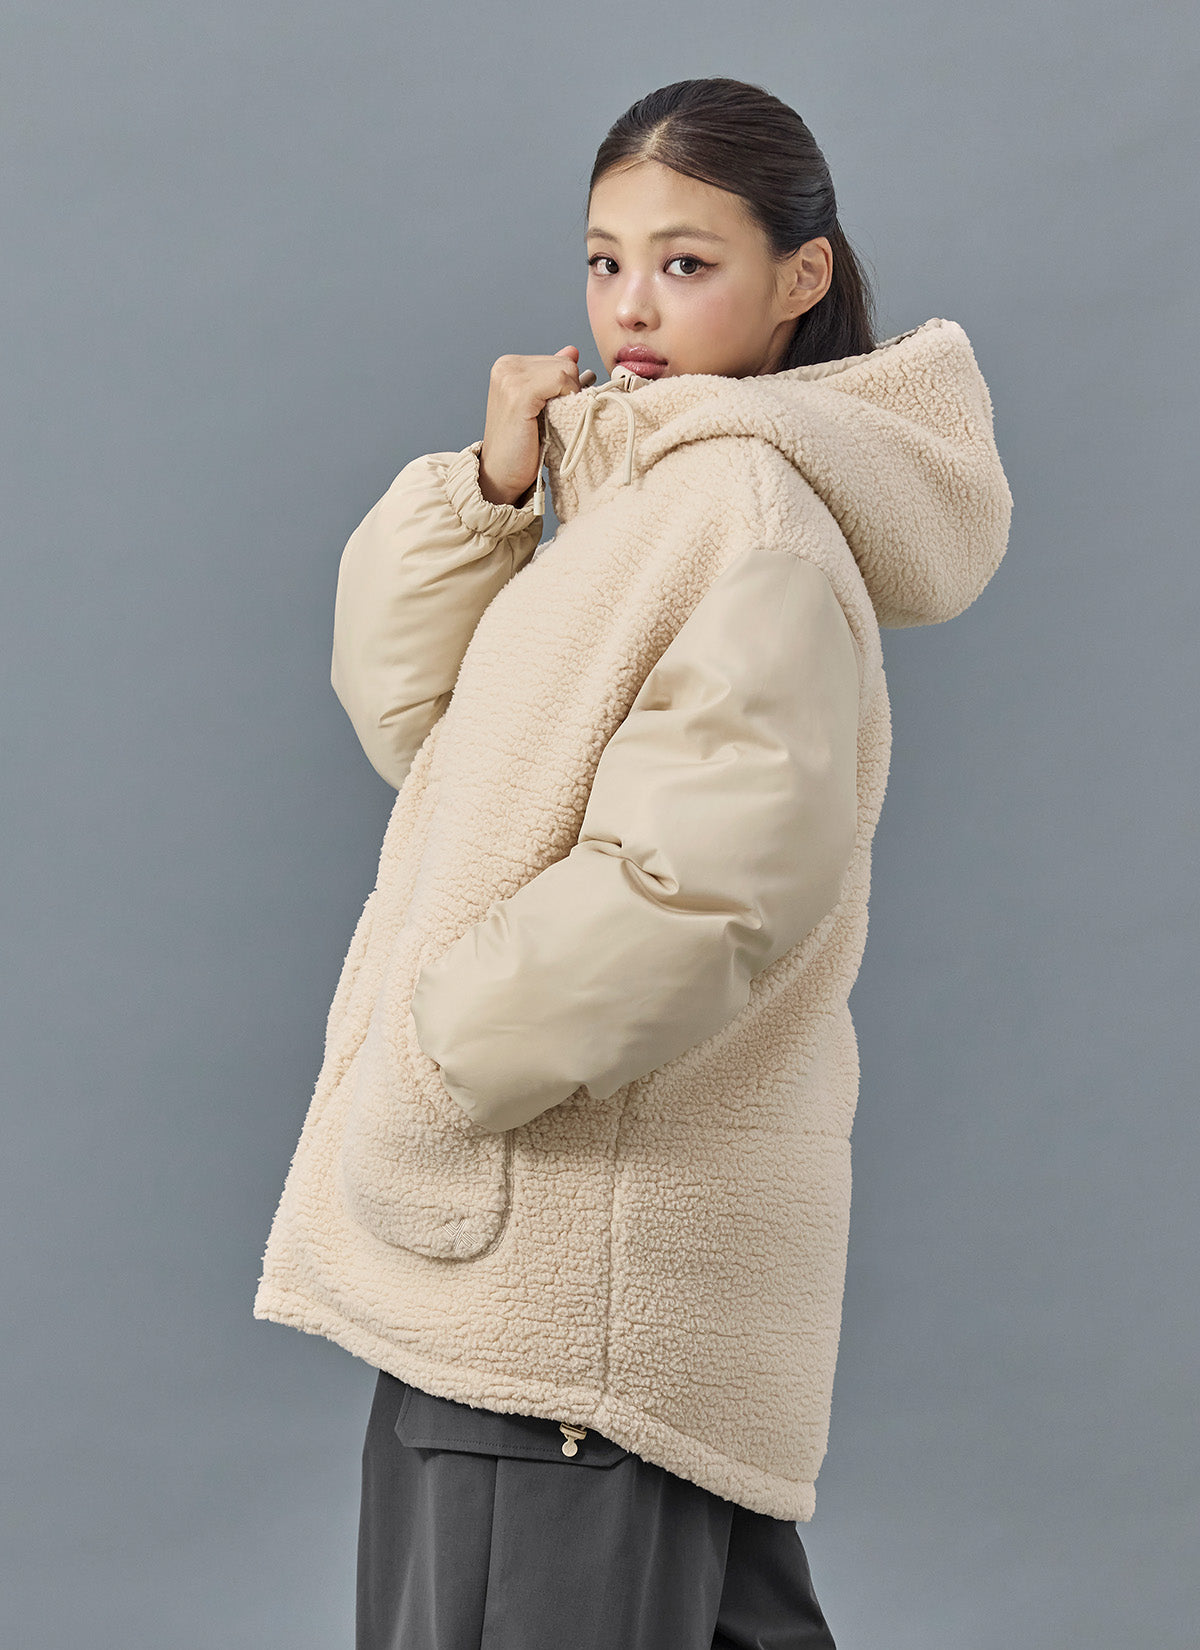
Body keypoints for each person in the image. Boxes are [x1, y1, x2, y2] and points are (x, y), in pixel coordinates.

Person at [253, 76, 1013, 1649]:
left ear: (802, 276)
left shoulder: (736, 507)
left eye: (685, 262)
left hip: (559, 1290)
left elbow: (709, 884)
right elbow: (428, 738)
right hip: (593, 1298)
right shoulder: (640, 503)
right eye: (605, 262)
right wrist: (493, 494)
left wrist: (439, 1064)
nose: (631, 307)